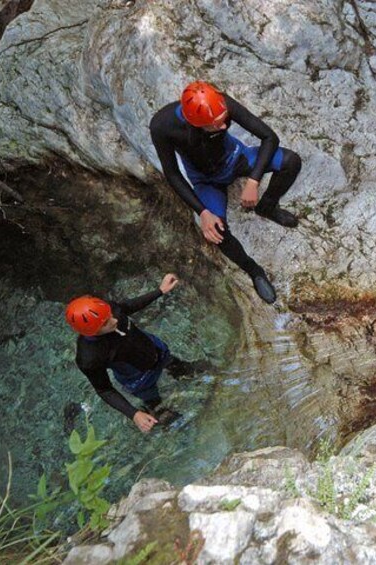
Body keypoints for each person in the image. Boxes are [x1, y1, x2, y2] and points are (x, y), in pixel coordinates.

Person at [149, 81, 302, 304]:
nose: (223, 127)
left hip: (236, 159)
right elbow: (172, 174)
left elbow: (269, 137)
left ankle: (267, 207)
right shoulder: (163, 126)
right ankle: (254, 271)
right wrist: (202, 212)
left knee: (291, 161)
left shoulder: (222, 103)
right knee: (216, 232)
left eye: (224, 121)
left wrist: (253, 181)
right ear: (195, 123)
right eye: (215, 125)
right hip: (206, 180)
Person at [65, 274, 192, 433]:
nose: (115, 320)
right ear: (92, 332)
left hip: (156, 351)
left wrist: (160, 291)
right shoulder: (90, 357)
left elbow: (128, 306)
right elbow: (104, 389)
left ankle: (179, 369)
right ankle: (155, 409)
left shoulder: (109, 311)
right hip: (139, 378)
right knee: (158, 407)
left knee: (175, 365)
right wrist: (133, 414)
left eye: (109, 314)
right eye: (106, 323)